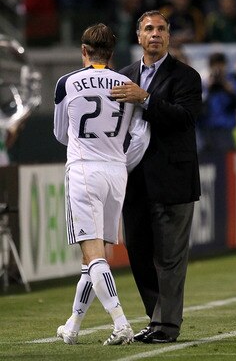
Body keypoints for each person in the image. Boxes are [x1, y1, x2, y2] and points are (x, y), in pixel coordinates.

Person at [54, 23, 150, 346]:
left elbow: (59, 133)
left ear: (84, 51)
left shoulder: (66, 83)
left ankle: (121, 322)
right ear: (111, 54)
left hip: (84, 169)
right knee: (95, 258)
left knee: (93, 256)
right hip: (116, 171)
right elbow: (139, 135)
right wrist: (121, 160)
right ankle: (73, 325)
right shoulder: (127, 84)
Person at [110, 10, 202, 343]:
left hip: (173, 181)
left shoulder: (187, 77)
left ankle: (167, 325)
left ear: (168, 36)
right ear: (138, 36)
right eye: (149, 28)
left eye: (161, 29)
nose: (155, 34)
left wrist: (145, 99)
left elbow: (184, 118)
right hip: (134, 182)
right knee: (137, 251)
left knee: (170, 258)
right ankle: (155, 318)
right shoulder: (123, 76)